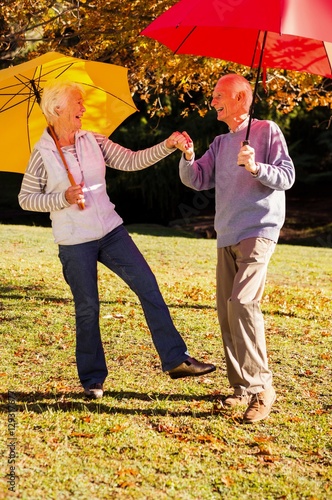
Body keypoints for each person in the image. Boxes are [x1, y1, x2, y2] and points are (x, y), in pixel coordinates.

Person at [18, 80, 216, 399]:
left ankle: (176, 360)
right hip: (74, 241)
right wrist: (61, 197)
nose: (83, 108)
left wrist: (167, 145)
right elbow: (26, 198)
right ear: (57, 109)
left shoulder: (92, 140)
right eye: (78, 103)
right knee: (88, 307)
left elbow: (130, 161)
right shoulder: (42, 153)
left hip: (111, 232)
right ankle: (93, 380)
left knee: (148, 285)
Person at [175, 73, 295, 423]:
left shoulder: (267, 130)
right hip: (226, 232)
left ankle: (262, 388)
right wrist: (187, 156)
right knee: (226, 311)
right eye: (213, 97)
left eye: (219, 96)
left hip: (259, 229)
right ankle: (241, 386)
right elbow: (196, 179)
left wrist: (257, 166)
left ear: (241, 98)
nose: (213, 102)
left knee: (242, 303)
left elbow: (286, 176)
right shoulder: (220, 142)